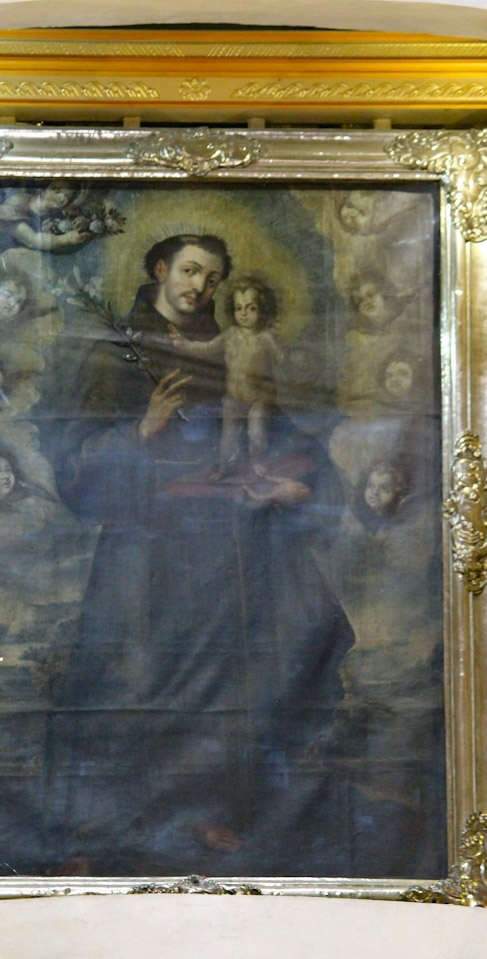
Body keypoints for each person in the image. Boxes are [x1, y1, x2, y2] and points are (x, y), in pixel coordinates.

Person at [55, 233, 354, 876]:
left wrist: (296, 480)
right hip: (144, 547)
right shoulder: (118, 352)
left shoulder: (234, 348)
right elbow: (72, 467)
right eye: (190, 271)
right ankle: (106, 826)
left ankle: (204, 809)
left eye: (213, 278)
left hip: (222, 547)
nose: (200, 286)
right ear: (161, 269)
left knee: (226, 680)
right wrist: (142, 429)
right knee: (131, 679)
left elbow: (277, 426)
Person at [168, 275, 283, 477]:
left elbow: (283, 361)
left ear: (263, 310)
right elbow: (206, 348)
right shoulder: (230, 335)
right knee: (228, 436)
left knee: (256, 430)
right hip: (233, 398)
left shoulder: (266, 338)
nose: (244, 314)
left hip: (259, 398)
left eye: (251, 308)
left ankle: (258, 462)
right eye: (239, 308)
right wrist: (183, 344)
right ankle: (224, 466)